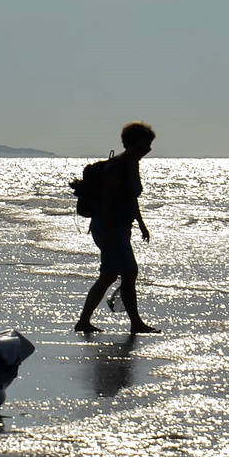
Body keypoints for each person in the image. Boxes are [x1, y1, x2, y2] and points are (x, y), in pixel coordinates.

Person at [75, 121, 158, 335]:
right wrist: (111, 231)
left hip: (121, 227)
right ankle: (136, 323)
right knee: (129, 272)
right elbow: (106, 202)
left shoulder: (132, 166)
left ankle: (84, 321)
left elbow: (131, 198)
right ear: (128, 145)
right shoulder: (116, 167)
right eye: (141, 148)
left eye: (147, 148)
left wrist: (141, 224)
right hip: (108, 226)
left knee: (110, 275)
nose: (144, 152)